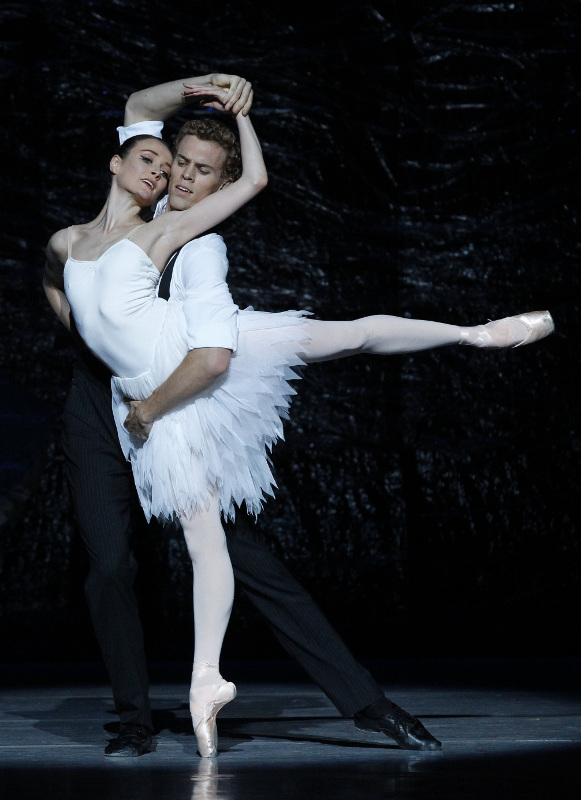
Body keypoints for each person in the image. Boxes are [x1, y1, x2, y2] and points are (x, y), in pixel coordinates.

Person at [44, 74, 553, 759]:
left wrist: (150, 407)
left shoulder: (185, 236)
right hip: (107, 391)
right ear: (124, 160)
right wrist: (204, 88)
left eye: (189, 169)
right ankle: (141, 717)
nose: (174, 175)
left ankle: (472, 333)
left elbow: (215, 348)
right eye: (166, 162)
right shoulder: (85, 231)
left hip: (176, 379)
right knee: (113, 564)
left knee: (332, 349)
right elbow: (131, 124)